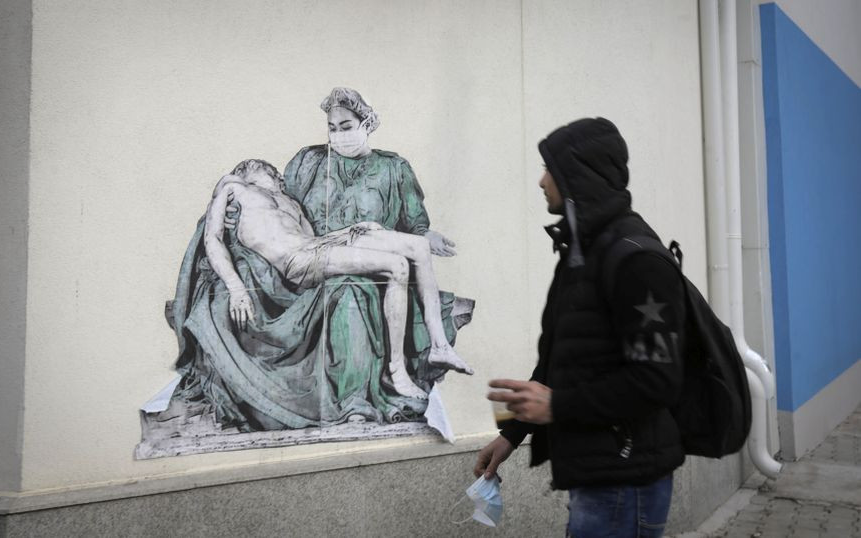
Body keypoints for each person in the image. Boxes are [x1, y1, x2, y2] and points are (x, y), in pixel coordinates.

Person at [473, 118, 686, 538]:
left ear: (578, 175)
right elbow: (563, 359)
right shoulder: (583, 254)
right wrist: (512, 434)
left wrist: (558, 405)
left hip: (626, 481)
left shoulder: (636, 260)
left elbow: (657, 380)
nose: (541, 181)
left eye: (548, 168)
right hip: (599, 477)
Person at [204, 159, 472, 400]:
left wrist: (350, 231)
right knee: (397, 266)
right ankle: (397, 372)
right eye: (271, 172)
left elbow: (313, 240)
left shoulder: (290, 203)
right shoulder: (235, 188)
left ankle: (439, 346)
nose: (279, 177)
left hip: (315, 250)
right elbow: (212, 239)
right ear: (251, 171)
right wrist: (236, 287)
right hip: (297, 262)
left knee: (418, 246)